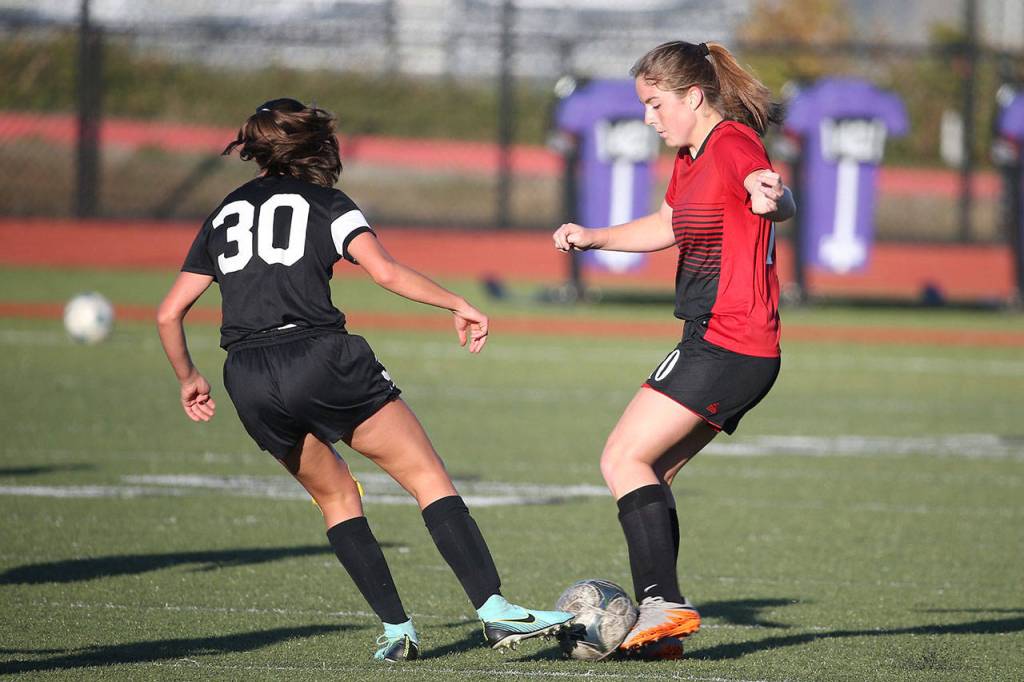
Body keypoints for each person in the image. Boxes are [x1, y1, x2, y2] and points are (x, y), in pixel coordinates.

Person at [156, 97, 571, 663]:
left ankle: (397, 631)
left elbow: (168, 313)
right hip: (321, 357)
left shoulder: (224, 212)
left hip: (247, 376)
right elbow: (385, 271)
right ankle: (495, 612)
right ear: (314, 146)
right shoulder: (328, 202)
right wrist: (457, 302)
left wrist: (188, 378)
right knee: (426, 476)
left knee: (336, 499)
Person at [552, 41, 795, 660]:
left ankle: (663, 603)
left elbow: (765, 185)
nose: (648, 118)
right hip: (724, 340)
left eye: (655, 104)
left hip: (728, 338)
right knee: (651, 472)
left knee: (621, 458)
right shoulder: (691, 157)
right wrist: (595, 236)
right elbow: (667, 225)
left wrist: (777, 199)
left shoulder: (732, 142)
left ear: (694, 97)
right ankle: (662, 632)